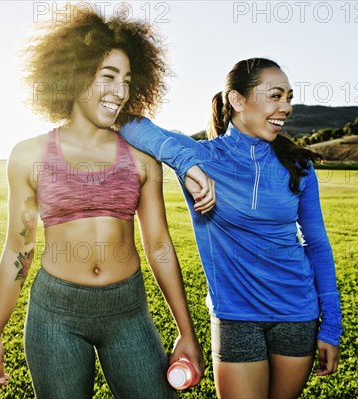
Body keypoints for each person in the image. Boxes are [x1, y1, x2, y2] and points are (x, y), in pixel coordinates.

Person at [0, 9, 206, 399]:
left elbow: (160, 246)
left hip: (127, 311)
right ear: (74, 74)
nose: (120, 92)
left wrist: (187, 331)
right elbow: (20, 249)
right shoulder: (28, 155)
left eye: (127, 81)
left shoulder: (141, 160)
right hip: (56, 314)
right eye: (108, 77)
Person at [119, 58, 343, 399]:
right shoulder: (201, 156)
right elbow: (129, 123)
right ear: (238, 101)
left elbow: (317, 244)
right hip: (236, 317)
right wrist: (186, 164)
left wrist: (331, 326)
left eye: (289, 97)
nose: (287, 107)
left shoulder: (299, 166)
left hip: (298, 314)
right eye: (276, 96)